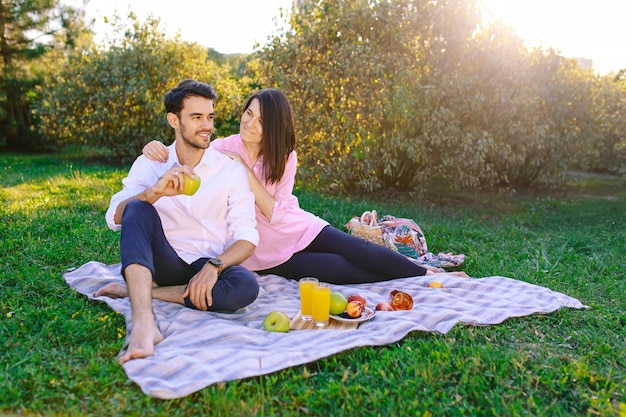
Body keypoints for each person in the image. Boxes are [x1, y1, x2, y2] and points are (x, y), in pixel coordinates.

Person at [143, 88, 468, 284]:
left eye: (259, 121)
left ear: (273, 127)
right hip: (263, 250)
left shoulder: (284, 156)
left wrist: (243, 169)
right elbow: (186, 156)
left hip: (297, 226)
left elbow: (273, 211)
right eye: (248, 113)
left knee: (360, 249)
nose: (249, 123)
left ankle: (428, 276)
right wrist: (154, 148)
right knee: (340, 269)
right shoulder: (222, 147)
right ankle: (412, 275)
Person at [97, 79, 260, 363]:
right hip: (164, 260)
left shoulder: (230, 170)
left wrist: (214, 266)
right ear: (174, 120)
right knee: (137, 208)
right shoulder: (151, 162)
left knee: (246, 286)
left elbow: (248, 237)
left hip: (205, 264)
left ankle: (139, 290)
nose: (206, 125)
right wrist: (154, 192)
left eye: (209, 117)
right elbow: (114, 217)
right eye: (196, 117)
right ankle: (144, 322)